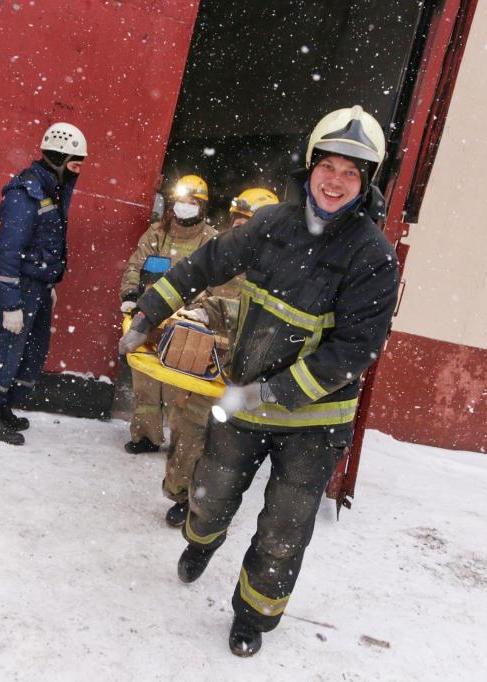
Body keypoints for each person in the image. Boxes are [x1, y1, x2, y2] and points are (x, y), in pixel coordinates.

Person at [118, 106, 400, 657]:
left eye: (352, 172)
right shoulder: (272, 226)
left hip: (315, 422)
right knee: (212, 494)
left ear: (366, 183)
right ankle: (202, 540)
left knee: (283, 532)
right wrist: (148, 314)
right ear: (311, 166)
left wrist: (274, 392)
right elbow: (202, 266)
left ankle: (252, 617)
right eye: (330, 165)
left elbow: (353, 351)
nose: (337, 180)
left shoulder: (374, 257)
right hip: (243, 404)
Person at [161, 186, 280, 528]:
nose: (239, 230)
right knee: (188, 435)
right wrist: (192, 312)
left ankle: (204, 507)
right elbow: (194, 292)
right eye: (237, 221)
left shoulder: (275, 273)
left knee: (225, 450)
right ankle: (181, 495)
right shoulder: (219, 258)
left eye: (248, 223)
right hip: (204, 364)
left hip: (242, 374)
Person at [0, 122, 87, 446]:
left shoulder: (52, 188)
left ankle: (6, 405)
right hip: (22, 285)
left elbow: (47, 242)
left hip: (38, 285)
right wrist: (11, 303)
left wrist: (49, 282)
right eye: (75, 163)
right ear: (58, 157)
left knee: (32, 349)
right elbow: (8, 252)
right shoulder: (26, 192)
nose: (79, 170)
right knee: (7, 347)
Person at [119, 174, 218, 454]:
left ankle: (180, 446)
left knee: (179, 388)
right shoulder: (157, 233)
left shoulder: (211, 241)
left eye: (192, 201)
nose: (185, 206)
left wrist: (201, 310)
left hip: (187, 323)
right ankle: (146, 436)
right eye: (181, 200)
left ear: (202, 206)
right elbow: (135, 265)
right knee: (145, 382)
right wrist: (129, 296)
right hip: (149, 316)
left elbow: (217, 284)